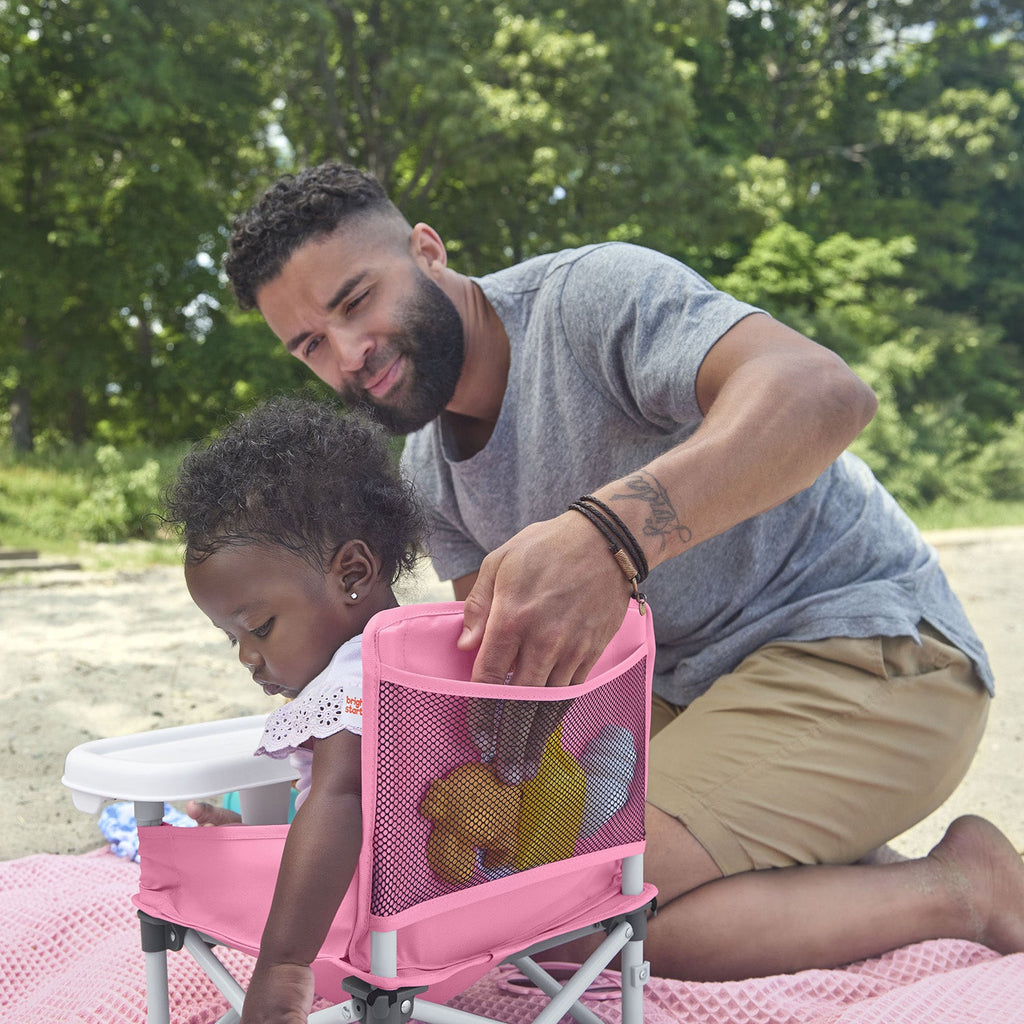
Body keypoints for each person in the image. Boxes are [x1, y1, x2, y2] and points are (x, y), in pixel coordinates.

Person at [221, 163, 1024, 983]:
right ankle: (850, 874)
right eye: (311, 344)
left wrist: (609, 537)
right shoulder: (430, 475)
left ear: (427, 250)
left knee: (568, 908)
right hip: (696, 699)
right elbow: (520, 690)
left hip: (875, 648)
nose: (352, 353)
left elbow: (826, 391)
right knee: (517, 896)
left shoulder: (588, 300)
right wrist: (302, 823)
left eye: (357, 301)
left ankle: (964, 889)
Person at [163, 396, 426, 1024]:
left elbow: (343, 801)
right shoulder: (429, 645)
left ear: (352, 573)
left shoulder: (352, 679)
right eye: (235, 639)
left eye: (259, 626)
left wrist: (282, 967)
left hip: (365, 941)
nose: (248, 658)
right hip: (453, 915)